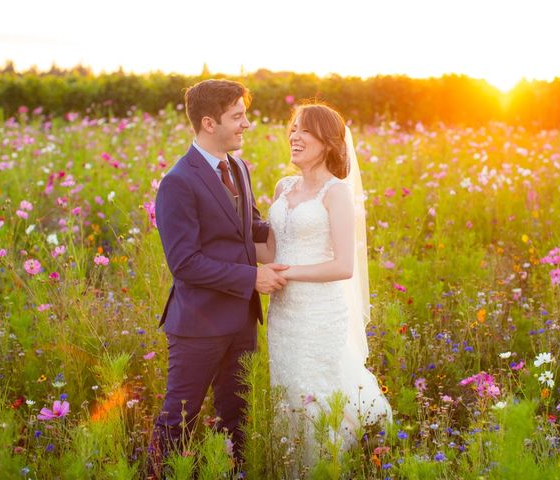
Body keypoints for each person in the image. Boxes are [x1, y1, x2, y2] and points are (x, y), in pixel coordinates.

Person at [148, 79, 288, 477]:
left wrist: (296, 213)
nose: (247, 124)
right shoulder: (178, 181)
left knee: (237, 423)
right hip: (198, 325)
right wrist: (252, 278)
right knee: (179, 422)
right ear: (209, 122)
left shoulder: (238, 167)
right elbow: (185, 263)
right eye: (238, 116)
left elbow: (252, 226)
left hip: (242, 322)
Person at [255, 103, 392, 464]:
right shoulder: (284, 187)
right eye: (293, 128)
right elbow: (272, 249)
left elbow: (343, 265)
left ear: (328, 142)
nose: (294, 136)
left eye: (305, 131)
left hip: (319, 312)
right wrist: (219, 236)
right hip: (285, 314)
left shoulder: (336, 192)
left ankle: (329, 464)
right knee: (288, 388)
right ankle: (292, 464)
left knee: (317, 388)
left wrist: (286, 274)